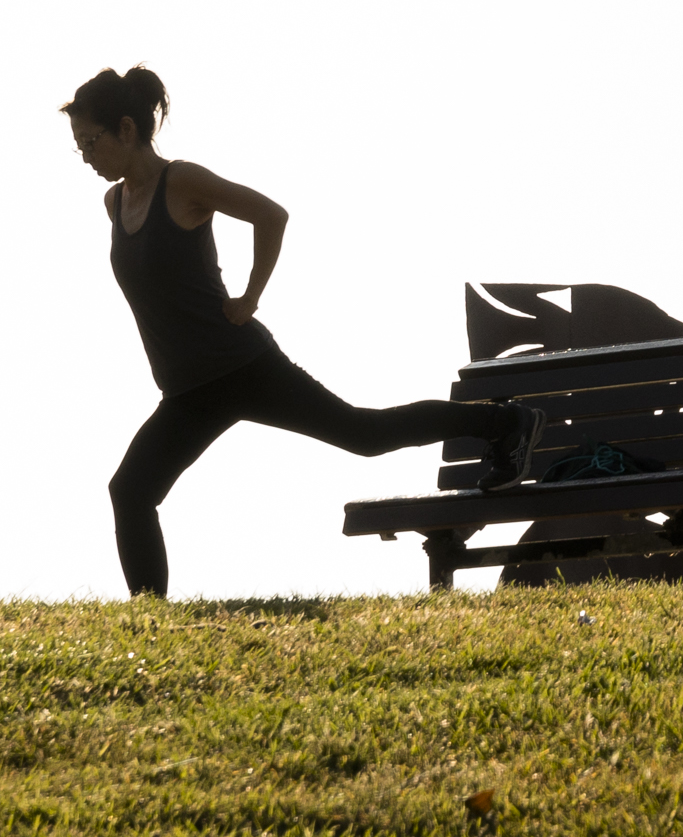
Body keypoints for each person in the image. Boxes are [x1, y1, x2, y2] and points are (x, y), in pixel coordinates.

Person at [63, 66, 534, 597]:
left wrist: (250, 295)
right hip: (187, 392)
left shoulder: (183, 181)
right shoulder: (114, 203)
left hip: (242, 368)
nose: (85, 156)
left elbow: (271, 215)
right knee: (130, 491)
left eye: (90, 142)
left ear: (126, 129)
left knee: (364, 434)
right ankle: (148, 617)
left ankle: (505, 422)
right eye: (78, 146)